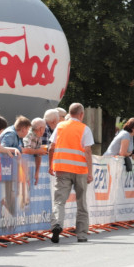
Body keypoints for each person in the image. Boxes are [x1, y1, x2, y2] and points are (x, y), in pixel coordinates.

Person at [47, 102, 94, 243]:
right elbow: (88, 151)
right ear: (81, 114)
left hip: (62, 169)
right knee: (81, 202)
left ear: (69, 112)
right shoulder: (84, 129)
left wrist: (51, 166)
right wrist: (90, 172)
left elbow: (51, 148)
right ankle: (81, 234)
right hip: (80, 170)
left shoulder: (60, 127)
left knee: (59, 201)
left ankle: (57, 225)